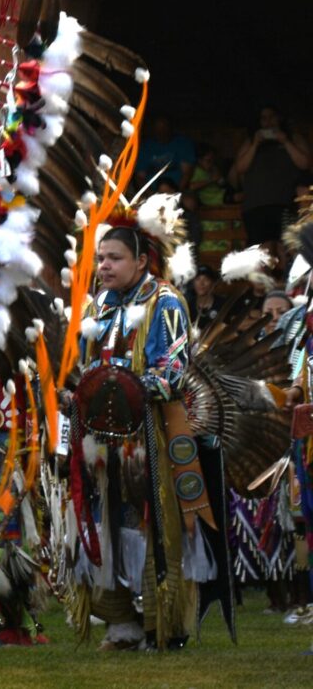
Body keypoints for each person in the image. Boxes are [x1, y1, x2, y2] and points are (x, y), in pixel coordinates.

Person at [68, 204, 203, 652]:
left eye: (114, 258)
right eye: (100, 258)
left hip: (149, 431)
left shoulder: (164, 301)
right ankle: (120, 621)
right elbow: (81, 364)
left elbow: (175, 367)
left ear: (141, 260)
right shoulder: (96, 304)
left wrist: (127, 387)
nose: (104, 266)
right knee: (101, 521)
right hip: (99, 438)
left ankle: (163, 625)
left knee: (150, 525)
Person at [231, 106, 310, 256]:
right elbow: (240, 167)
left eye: (271, 116)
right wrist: (255, 144)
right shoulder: (251, 140)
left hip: (285, 202)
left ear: (279, 118)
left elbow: (305, 163)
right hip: (257, 204)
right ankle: (262, 279)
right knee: (260, 249)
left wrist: (285, 141)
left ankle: (285, 278)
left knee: (286, 248)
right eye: (264, 118)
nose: (268, 121)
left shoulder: (293, 137)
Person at [135, 115, 195, 190]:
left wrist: (175, 194)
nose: (161, 131)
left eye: (164, 127)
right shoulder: (146, 147)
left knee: (189, 201)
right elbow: (140, 176)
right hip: (152, 192)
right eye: (158, 128)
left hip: (178, 189)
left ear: (170, 128)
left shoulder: (182, 143)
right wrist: (150, 194)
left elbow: (186, 173)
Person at [187, 264, 224, 330]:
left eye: (206, 279)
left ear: (212, 283)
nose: (201, 283)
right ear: (193, 282)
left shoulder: (222, 304)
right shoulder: (188, 306)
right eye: (198, 279)